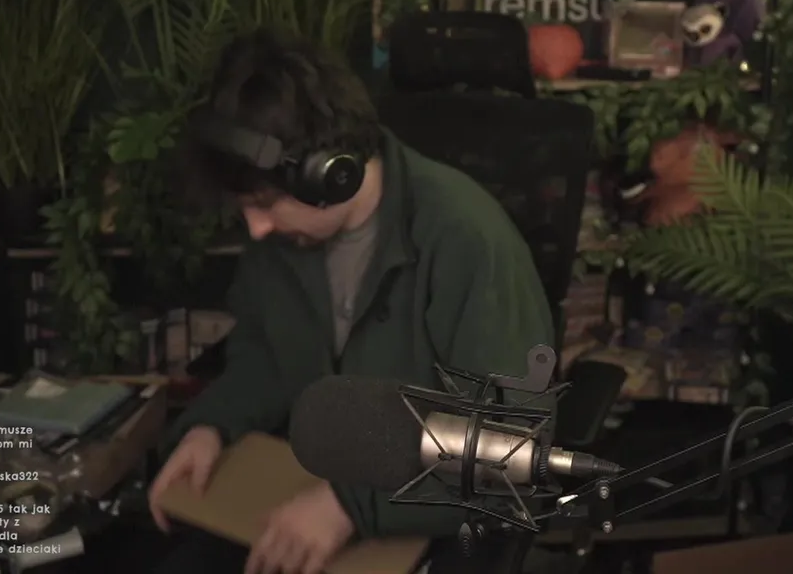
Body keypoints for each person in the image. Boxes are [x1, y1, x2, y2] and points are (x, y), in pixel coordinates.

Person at [148, 30, 553, 574]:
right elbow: (265, 363)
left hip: (428, 519)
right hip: (309, 486)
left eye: (265, 202)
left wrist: (351, 508)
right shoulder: (281, 242)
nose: (255, 226)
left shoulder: (466, 239)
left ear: (331, 173)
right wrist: (211, 426)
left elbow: (509, 452)